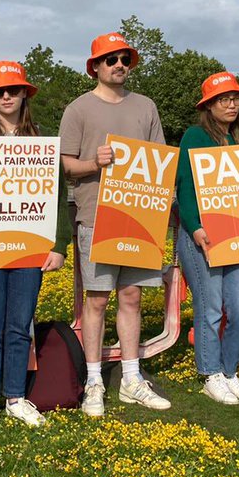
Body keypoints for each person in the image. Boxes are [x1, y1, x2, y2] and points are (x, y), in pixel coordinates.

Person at [0, 61, 73, 436]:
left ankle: (17, 398)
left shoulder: (42, 141)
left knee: (20, 326)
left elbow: (57, 196)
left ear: (24, 95)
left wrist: (59, 244)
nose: (6, 96)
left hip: (28, 249)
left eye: (14, 90)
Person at [58, 32, 171, 415]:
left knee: (132, 298)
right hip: (95, 217)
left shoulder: (146, 106)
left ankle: (131, 378)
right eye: (111, 59)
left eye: (125, 58)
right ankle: (93, 381)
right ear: (95, 67)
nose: (119, 64)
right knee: (97, 300)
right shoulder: (78, 109)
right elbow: (65, 164)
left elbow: (158, 160)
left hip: (140, 218)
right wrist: (95, 164)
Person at [174, 72, 239, 405]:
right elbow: (185, 187)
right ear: (208, 105)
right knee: (209, 308)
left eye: (236, 98)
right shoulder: (195, 136)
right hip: (202, 237)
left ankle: (228, 371)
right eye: (224, 99)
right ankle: (210, 374)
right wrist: (195, 228)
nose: (232, 103)